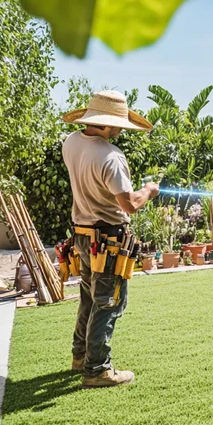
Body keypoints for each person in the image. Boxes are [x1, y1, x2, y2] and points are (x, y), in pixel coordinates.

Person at [61, 90, 160, 388]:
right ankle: (97, 369)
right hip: (108, 238)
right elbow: (128, 204)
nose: (120, 129)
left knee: (90, 298)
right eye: (117, 124)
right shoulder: (111, 157)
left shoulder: (71, 143)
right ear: (104, 124)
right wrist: (149, 191)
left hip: (82, 234)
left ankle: (80, 356)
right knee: (109, 303)